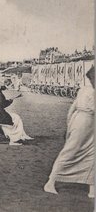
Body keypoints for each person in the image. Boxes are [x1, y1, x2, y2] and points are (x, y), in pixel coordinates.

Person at [44, 66, 95, 198]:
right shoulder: (91, 91)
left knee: (91, 153)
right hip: (86, 122)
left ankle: (92, 187)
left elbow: (71, 109)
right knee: (74, 150)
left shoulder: (83, 89)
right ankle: (51, 181)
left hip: (80, 120)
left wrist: (69, 126)